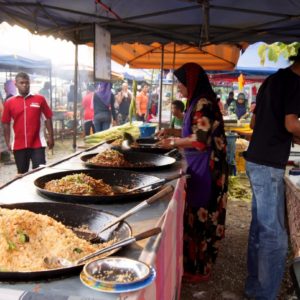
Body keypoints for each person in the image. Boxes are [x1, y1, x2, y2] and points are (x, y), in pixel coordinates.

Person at [158, 63, 228, 282]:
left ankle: (200, 269)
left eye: (180, 83)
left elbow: (199, 140)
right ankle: (193, 264)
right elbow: (195, 130)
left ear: (191, 81)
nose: (179, 88)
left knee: (201, 216)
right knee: (194, 216)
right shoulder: (196, 102)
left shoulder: (203, 103)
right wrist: (172, 131)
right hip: (198, 165)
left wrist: (172, 141)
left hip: (207, 168)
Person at [244, 49, 300, 300]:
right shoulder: (296, 83)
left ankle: (254, 289)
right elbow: (291, 124)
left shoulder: (272, 79)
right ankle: (265, 295)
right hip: (267, 165)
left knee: (260, 229)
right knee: (275, 236)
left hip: (255, 159)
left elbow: (255, 124)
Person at [1, 72, 54, 174]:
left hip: (37, 143)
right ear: (16, 84)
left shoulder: (39, 99)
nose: (25, 85)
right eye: (22, 83)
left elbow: (48, 118)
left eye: (27, 83)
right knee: (22, 173)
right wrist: (8, 142)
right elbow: (6, 123)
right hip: (18, 144)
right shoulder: (9, 102)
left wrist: (51, 137)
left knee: (40, 172)